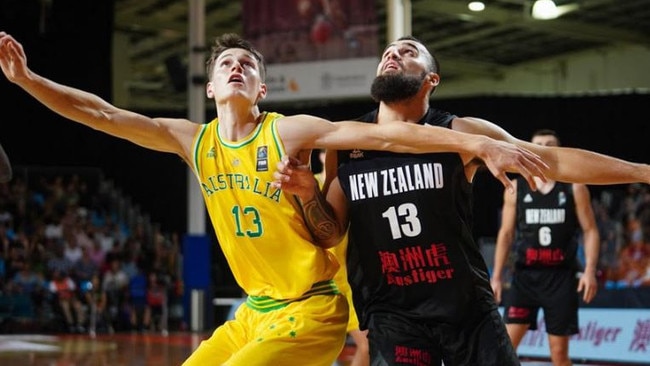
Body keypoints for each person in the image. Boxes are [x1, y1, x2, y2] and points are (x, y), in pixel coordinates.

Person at [0, 31, 550, 365]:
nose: (235, 67)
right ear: (211, 88)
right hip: (255, 310)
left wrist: (473, 141)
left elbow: (387, 136)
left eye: (248, 65)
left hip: (312, 307)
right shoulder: (193, 141)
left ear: (261, 89)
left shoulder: (287, 132)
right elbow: (102, 114)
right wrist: (28, 80)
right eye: (225, 65)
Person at [273, 35, 650, 365]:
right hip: (393, 310)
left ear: (431, 79)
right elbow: (330, 233)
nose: (393, 55)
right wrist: (308, 193)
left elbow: (554, 162)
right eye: (388, 52)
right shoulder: (350, 143)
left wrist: (641, 172)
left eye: (408, 52)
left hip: (465, 305)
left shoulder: (462, 132)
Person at [490, 129, 599, 366]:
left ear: (558, 150)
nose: (543, 148)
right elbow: (506, 233)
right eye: (538, 144)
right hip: (525, 278)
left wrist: (590, 270)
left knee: (559, 354)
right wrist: (496, 276)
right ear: (528, 150)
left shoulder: (574, 187)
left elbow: (590, 230)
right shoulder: (517, 189)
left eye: (549, 144)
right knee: (506, 349)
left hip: (561, 278)